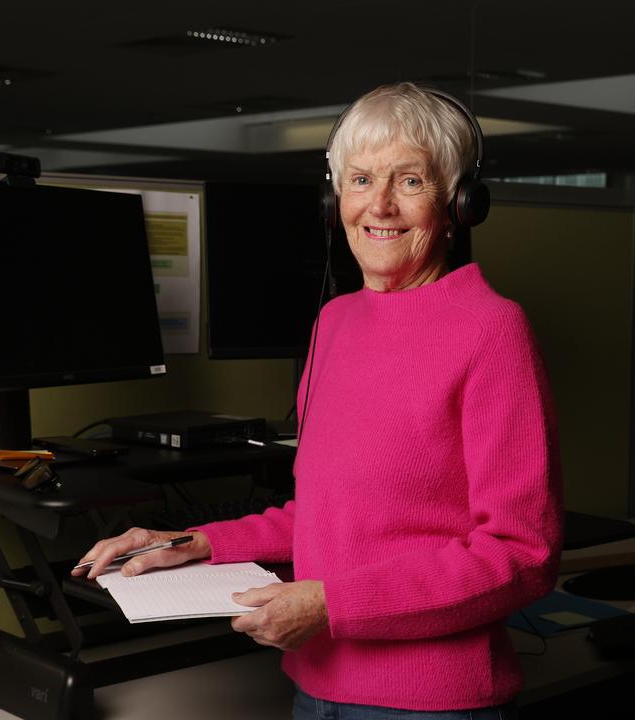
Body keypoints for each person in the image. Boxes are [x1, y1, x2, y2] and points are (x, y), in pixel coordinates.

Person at [73, 82, 562, 719]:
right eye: (360, 180)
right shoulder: (336, 321)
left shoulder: (492, 329)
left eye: (410, 181)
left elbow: (521, 555)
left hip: (430, 702)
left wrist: (332, 605)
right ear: (336, 198)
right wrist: (198, 542)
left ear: (458, 204)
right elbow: (331, 515)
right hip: (316, 686)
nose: (379, 205)